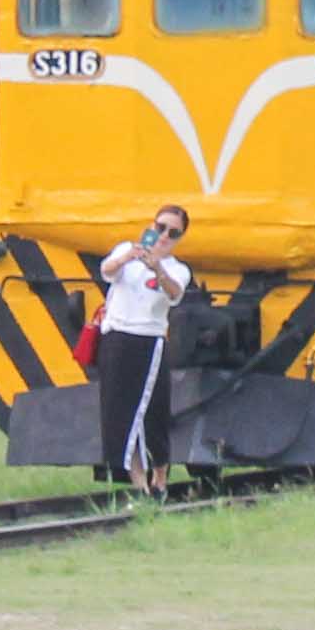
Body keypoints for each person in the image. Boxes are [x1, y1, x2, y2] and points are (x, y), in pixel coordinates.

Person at [92, 205, 193, 490]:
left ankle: (160, 477)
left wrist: (157, 268)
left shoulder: (177, 269)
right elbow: (107, 270)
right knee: (119, 411)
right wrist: (128, 257)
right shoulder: (126, 250)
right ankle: (139, 484)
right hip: (117, 336)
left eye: (173, 233)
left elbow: (175, 294)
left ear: (179, 238)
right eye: (160, 227)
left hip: (150, 340)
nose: (164, 236)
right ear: (152, 225)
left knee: (153, 411)